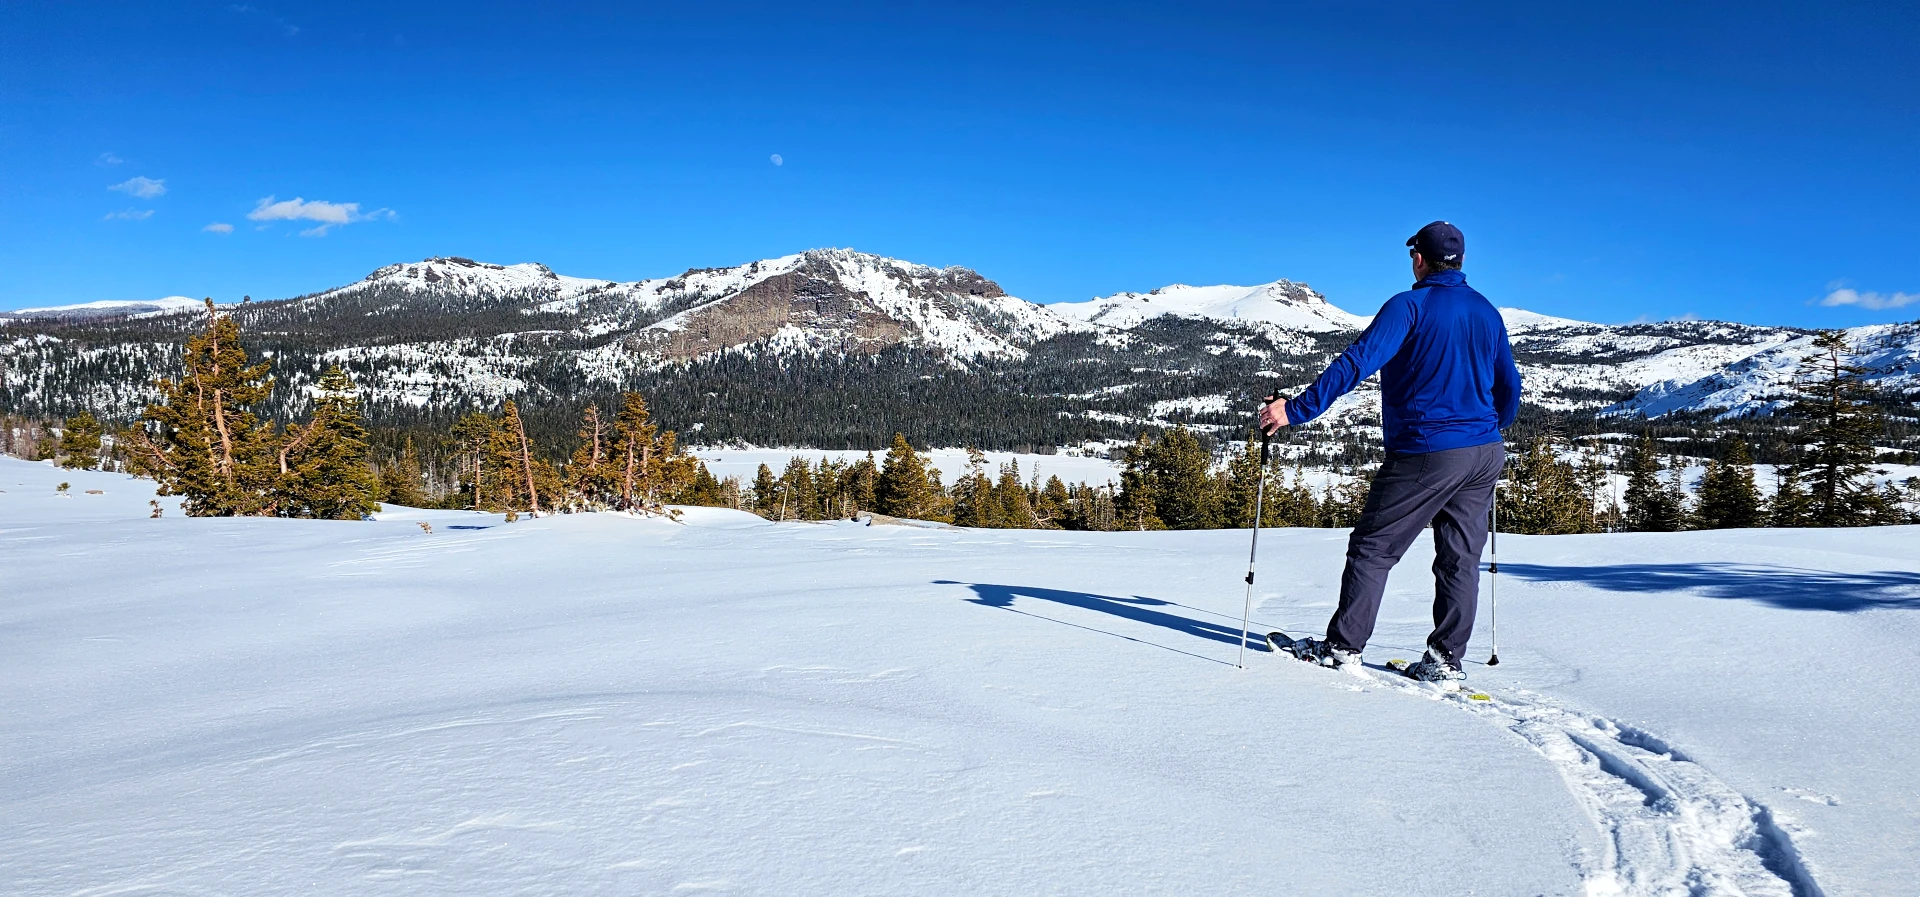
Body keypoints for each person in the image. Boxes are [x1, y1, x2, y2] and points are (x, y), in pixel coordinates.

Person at [1258, 221, 1520, 682]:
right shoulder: (1486, 312)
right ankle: (1445, 661)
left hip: (1428, 450)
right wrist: (1490, 427)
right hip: (1483, 451)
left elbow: (1356, 363)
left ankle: (1342, 648)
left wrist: (1293, 411)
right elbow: (1509, 388)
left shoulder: (1409, 307)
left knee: (1373, 549)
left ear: (1419, 258)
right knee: (1460, 557)